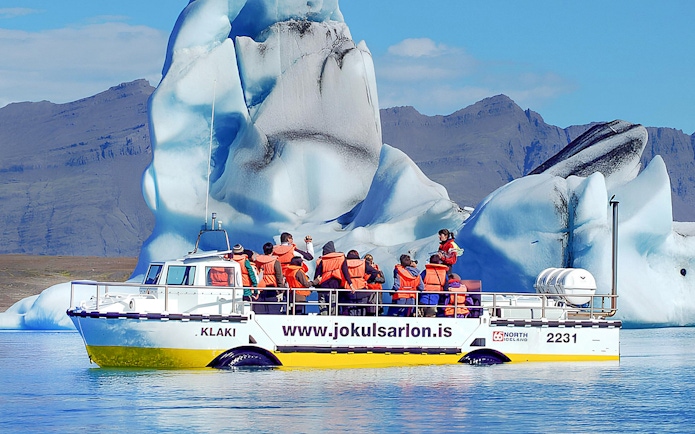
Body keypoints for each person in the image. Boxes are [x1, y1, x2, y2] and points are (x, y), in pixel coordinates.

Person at [314, 241, 353, 315]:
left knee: (323, 306)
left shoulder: (323, 260)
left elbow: (318, 274)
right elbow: (345, 272)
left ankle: (324, 321)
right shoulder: (341, 259)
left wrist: (316, 285)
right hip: (335, 286)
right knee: (333, 307)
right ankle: (333, 320)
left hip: (323, 286)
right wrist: (350, 284)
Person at [345, 250, 379, 315]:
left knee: (349, 311)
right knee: (361, 311)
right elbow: (374, 272)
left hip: (349, 288)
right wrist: (369, 280)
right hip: (361, 288)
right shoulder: (363, 263)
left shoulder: (344, 263)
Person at [254, 242, 285, 314]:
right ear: (272, 251)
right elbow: (279, 276)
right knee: (272, 308)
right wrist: (281, 290)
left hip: (261, 286)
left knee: (261, 308)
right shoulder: (275, 262)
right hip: (272, 286)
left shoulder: (258, 261)